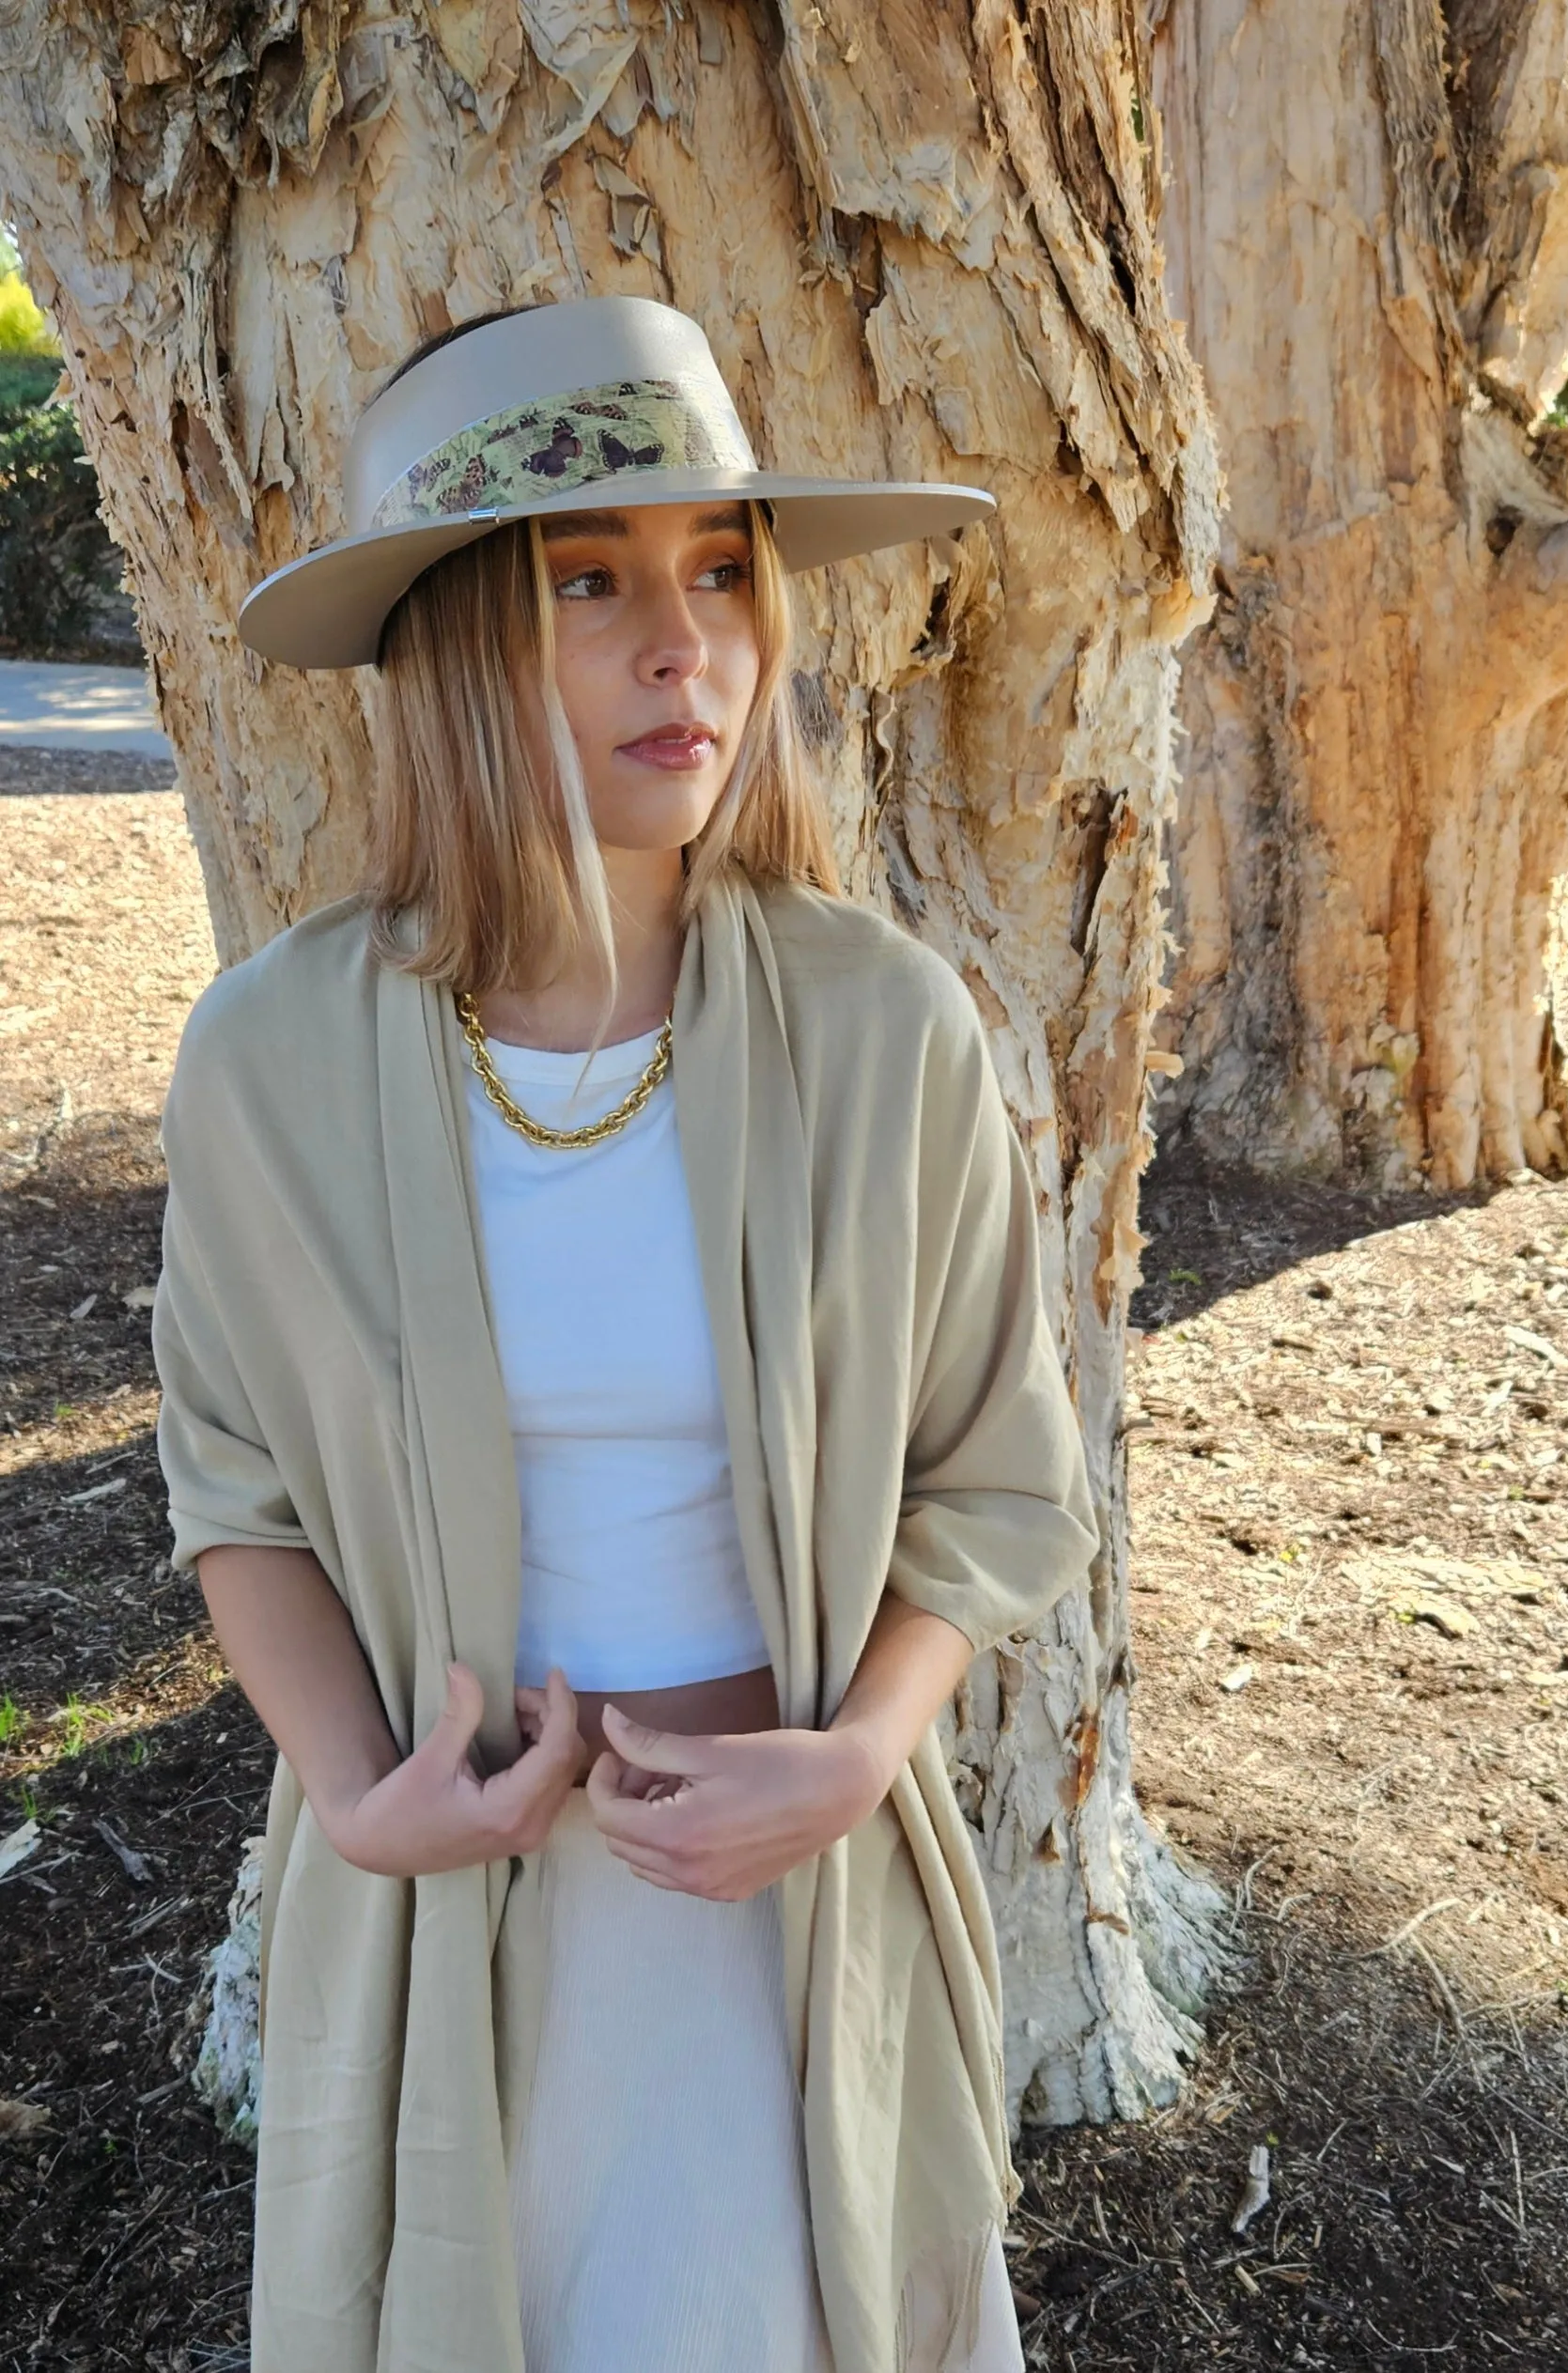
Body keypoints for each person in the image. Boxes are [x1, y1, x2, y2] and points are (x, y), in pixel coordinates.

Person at [152, 293, 1097, 2373]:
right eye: (590, 583)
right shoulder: (274, 1057)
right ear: (457, 645)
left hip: (778, 1906)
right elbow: (231, 1486)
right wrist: (361, 1793)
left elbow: (994, 1472)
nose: (689, 648)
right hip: (445, 1913)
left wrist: (852, 1758)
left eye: (719, 573)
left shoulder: (880, 1030)